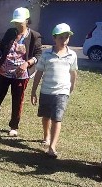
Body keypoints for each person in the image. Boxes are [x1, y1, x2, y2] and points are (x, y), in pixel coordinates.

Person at [0, 7, 42, 137]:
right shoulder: (10, 32)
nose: (17, 24)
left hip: (20, 75)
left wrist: (27, 63)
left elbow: (38, 55)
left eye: (19, 22)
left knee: (17, 100)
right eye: (15, 22)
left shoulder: (34, 36)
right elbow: (1, 48)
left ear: (26, 20)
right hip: (3, 72)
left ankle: (14, 126)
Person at [30, 23, 78, 158]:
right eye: (61, 37)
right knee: (46, 117)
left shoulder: (72, 55)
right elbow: (39, 73)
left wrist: (71, 86)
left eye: (66, 37)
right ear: (54, 38)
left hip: (62, 92)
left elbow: (73, 72)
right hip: (46, 90)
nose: (64, 40)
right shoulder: (46, 55)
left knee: (57, 118)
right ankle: (46, 136)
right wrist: (33, 91)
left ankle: (52, 146)